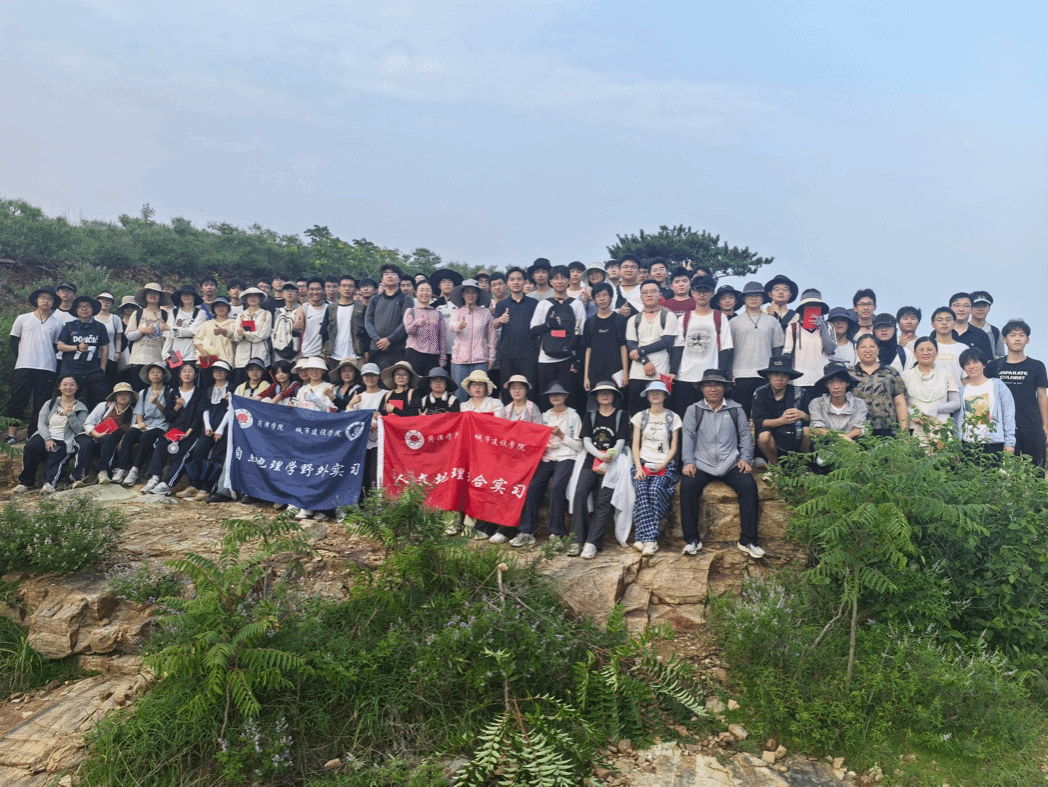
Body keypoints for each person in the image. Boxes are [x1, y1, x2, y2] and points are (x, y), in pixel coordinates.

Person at [679, 369, 763, 558]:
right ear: (702, 388)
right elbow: (688, 437)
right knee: (687, 487)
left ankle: (748, 540)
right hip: (702, 463)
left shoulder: (735, 408)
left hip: (730, 462)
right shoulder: (694, 410)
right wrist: (688, 462)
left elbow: (745, 435)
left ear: (725, 388)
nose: (713, 389)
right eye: (708, 385)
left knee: (749, 486)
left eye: (718, 385)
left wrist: (745, 458)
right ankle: (692, 540)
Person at [509, 382, 581, 548]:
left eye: (559, 394)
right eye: (552, 395)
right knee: (533, 486)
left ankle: (556, 532)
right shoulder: (545, 415)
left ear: (565, 396)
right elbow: (537, 438)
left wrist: (561, 435)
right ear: (549, 398)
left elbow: (579, 446)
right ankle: (526, 531)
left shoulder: (573, 415)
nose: (555, 397)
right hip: (548, 457)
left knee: (556, 487)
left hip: (566, 456)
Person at [571, 381, 628, 557]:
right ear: (596, 396)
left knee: (603, 500)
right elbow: (587, 441)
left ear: (614, 396)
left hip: (614, 462)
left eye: (608, 392)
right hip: (591, 459)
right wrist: (599, 456)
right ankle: (576, 539)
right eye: (601, 393)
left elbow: (620, 442)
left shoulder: (621, 415)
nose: (605, 395)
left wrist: (607, 461)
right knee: (580, 492)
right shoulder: (590, 415)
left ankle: (592, 542)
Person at [987, 320, 1048, 469]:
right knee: (1002, 472)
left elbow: (1042, 396)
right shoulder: (993, 367)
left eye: (1022, 335)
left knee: (1036, 470)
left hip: (1031, 425)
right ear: (1005, 340)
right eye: (1013, 335)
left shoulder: (1037, 366)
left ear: (1027, 340)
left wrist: (1045, 425)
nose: (1017, 339)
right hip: (1002, 426)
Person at [11, 374, 87, 494]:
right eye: (65, 384)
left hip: (64, 439)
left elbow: (79, 429)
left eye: (72, 385)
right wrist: (47, 439)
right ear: (59, 387)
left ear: (77, 387)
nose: (68, 387)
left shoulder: (81, 408)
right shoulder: (50, 403)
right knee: (31, 447)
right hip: (45, 435)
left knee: (55, 458)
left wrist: (70, 415)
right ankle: (25, 482)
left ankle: (49, 484)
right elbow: (41, 423)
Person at [630, 380, 681, 557]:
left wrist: (663, 464)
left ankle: (642, 538)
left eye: (659, 392)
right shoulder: (640, 416)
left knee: (655, 490)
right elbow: (635, 445)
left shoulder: (673, 417)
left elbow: (674, 447)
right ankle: (650, 540)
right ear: (647, 396)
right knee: (641, 490)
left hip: (664, 464)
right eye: (652, 392)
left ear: (665, 395)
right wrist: (638, 468)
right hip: (643, 463)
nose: (655, 395)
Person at [7, 285, 63, 444]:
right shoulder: (23, 318)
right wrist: (23, 357)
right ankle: (11, 434)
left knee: (41, 403)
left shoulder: (57, 323)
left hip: (47, 367)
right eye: (43, 298)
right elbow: (14, 341)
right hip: (24, 366)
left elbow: (56, 346)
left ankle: (33, 434)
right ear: (36, 300)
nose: (46, 301)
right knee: (18, 399)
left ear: (53, 302)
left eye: (50, 299)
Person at [140, 362, 207, 496]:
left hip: (191, 432)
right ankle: (155, 478)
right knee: (161, 443)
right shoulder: (174, 392)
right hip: (176, 430)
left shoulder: (200, 393)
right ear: (180, 375)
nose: (187, 374)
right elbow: (169, 416)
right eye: (184, 371)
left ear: (195, 375)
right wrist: (177, 406)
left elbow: (199, 416)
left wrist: (188, 433)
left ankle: (167, 484)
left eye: (190, 371)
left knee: (184, 454)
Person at [672, 274, 734, 417]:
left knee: (708, 418)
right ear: (692, 293)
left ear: (712, 293)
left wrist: (724, 376)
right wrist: (673, 372)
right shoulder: (684, 318)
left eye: (706, 291)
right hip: (684, 377)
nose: (702, 294)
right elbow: (678, 347)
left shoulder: (719, 317)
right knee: (684, 417)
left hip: (709, 379)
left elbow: (726, 348)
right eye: (698, 291)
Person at [530, 266, 586, 410]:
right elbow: (533, 331)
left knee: (570, 399)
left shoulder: (577, 304)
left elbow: (580, 335)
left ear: (569, 281)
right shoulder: (543, 304)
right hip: (545, 359)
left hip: (568, 359)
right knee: (545, 399)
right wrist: (549, 325)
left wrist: (577, 360)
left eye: (563, 278)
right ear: (550, 282)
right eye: (555, 278)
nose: (560, 281)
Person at [729, 281, 785, 418]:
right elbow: (728, 350)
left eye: (757, 295)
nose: (753, 298)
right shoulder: (734, 322)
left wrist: (775, 373)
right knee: (741, 415)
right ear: (743, 299)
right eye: (749, 295)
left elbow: (777, 350)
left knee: (765, 416)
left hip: (765, 374)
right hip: (740, 375)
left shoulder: (772, 321)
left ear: (763, 298)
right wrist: (729, 373)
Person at [180, 360, 235, 502]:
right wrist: (208, 426)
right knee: (198, 452)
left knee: (218, 457)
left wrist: (221, 429)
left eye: (222, 370)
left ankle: (207, 488)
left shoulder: (232, 388)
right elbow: (205, 409)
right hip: (209, 428)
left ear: (227, 373)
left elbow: (231, 410)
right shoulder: (209, 389)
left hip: (225, 428)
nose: (218, 373)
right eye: (216, 370)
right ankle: (194, 485)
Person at [625, 280, 679, 415]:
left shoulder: (668, 316)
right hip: (637, 374)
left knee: (662, 413)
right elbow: (631, 344)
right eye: (645, 292)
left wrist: (640, 351)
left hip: (661, 373)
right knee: (636, 414)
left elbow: (666, 341)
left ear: (660, 295)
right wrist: (645, 361)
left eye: (653, 291)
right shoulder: (633, 319)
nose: (649, 295)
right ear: (640, 296)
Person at [112, 362, 171, 487]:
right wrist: (140, 423)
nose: (155, 375)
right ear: (148, 376)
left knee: (146, 436)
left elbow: (169, 414)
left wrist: (157, 403)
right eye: (152, 372)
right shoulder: (143, 392)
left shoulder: (169, 392)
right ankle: (121, 468)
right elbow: (139, 413)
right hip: (145, 424)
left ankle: (135, 470)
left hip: (160, 425)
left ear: (164, 375)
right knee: (130, 433)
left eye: (158, 372)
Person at [70, 381, 138, 487]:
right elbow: (88, 423)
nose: (123, 396)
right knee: (87, 444)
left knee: (109, 438)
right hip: (90, 436)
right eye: (120, 394)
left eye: (126, 394)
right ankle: (77, 478)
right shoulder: (104, 406)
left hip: (109, 443)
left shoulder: (133, 413)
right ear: (115, 396)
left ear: (131, 397)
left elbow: (129, 433)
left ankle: (103, 472)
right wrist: (97, 434)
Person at [957, 348, 1015, 459]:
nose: (972, 366)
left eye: (975, 362)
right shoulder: (961, 391)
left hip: (993, 443)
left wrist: (1009, 442)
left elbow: (1008, 413)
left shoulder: (997, 385)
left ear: (983, 364)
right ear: (963, 368)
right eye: (967, 364)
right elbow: (956, 419)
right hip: (967, 444)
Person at [751, 354, 809, 465]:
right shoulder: (760, 393)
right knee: (763, 437)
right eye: (776, 374)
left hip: (795, 434)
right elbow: (759, 422)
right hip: (772, 435)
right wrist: (782, 421)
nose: (779, 379)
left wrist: (802, 414)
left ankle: (805, 464)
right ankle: (776, 465)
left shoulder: (800, 393)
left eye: (784, 375)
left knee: (807, 430)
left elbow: (812, 418)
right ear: (769, 375)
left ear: (789, 377)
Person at [902, 337, 960, 447]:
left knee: (942, 457)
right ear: (914, 353)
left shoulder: (946, 375)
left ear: (936, 352)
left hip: (941, 428)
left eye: (929, 349)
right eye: (921, 350)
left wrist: (937, 408)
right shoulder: (905, 376)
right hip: (914, 427)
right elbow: (900, 402)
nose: (925, 353)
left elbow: (956, 402)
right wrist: (911, 411)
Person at [493, 267, 539, 404]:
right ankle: (508, 417)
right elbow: (494, 325)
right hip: (507, 354)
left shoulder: (533, 303)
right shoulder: (502, 304)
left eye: (519, 279)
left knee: (530, 391)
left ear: (525, 281)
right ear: (507, 283)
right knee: (507, 392)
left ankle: (531, 416)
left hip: (529, 354)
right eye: (512, 279)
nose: (516, 282)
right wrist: (500, 320)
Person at [57, 294, 110, 408]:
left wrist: (102, 369)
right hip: (71, 369)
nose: (84, 309)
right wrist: (76, 347)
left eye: (88, 306)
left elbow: (105, 349)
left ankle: (94, 419)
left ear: (93, 309)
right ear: (76, 310)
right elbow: (60, 346)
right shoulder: (69, 326)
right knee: (68, 399)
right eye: (81, 306)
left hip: (93, 370)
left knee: (102, 397)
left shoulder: (100, 327)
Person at [852, 334, 909, 437]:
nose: (867, 350)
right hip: (857, 430)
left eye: (872, 346)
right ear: (857, 351)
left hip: (887, 431)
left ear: (878, 350)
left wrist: (904, 432)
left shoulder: (890, 372)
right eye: (863, 347)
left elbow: (900, 403)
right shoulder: (849, 374)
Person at [449, 278, 496, 399]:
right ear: (462, 294)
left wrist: (491, 357)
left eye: (474, 292)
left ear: (478, 294)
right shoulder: (456, 312)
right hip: (459, 360)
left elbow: (491, 336)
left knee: (480, 394)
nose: (471, 295)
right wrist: (459, 325)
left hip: (480, 359)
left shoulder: (485, 313)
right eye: (467, 292)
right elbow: (451, 326)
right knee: (460, 394)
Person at [781, 288, 835, 392]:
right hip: (799, 381)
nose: (812, 308)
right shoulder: (793, 328)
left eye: (816, 306)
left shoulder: (829, 327)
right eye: (809, 306)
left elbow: (830, 350)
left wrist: (822, 327)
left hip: (822, 380)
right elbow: (787, 355)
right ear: (803, 309)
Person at [582, 283, 628, 394]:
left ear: (611, 297)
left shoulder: (620, 320)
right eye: (598, 296)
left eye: (605, 295)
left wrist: (626, 373)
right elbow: (588, 349)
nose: (601, 299)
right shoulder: (589, 322)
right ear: (594, 300)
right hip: (595, 374)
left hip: (616, 374)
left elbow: (623, 347)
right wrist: (586, 376)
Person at [364, 264, 412, 369]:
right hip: (376, 346)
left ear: (399, 279)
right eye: (386, 274)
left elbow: (406, 322)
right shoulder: (375, 299)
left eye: (393, 274)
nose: (390, 276)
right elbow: (368, 320)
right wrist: (377, 339)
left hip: (398, 348)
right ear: (382, 279)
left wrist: (390, 339)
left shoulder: (406, 299)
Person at [808, 361, 868, 442]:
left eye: (841, 381)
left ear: (847, 383)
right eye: (831, 382)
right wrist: (840, 437)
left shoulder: (858, 403)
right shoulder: (816, 403)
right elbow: (816, 429)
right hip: (825, 443)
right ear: (826, 384)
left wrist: (844, 439)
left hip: (852, 443)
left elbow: (860, 428)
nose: (836, 387)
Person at [403, 280, 446, 375]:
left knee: (429, 382)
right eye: (421, 290)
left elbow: (442, 337)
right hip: (414, 352)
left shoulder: (438, 313)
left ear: (432, 293)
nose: (424, 293)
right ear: (415, 292)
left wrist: (443, 357)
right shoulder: (410, 311)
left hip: (433, 354)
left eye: (427, 290)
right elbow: (409, 331)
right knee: (414, 381)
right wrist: (417, 323)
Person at [323, 275, 367, 369]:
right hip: (334, 355)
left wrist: (366, 351)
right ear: (339, 288)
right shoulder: (331, 308)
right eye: (344, 286)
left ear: (354, 289)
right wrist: (324, 351)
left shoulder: (362, 308)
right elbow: (325, 331)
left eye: (350, 286)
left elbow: (367, 332)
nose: (347, 289)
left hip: (356, 355)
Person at [232, 287, 272, 385]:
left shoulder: (266, 314)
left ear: (260, 298)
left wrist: (245, 334)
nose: (252, 298)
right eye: (250, 296)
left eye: (255, 296)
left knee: (262, 386)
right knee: (241, 386)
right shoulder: (241, 315)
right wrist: (240, 334)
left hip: (260, 355)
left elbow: (263, 334)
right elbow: (236, 337)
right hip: (242, 358)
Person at [163, 285, 207, 367]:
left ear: (194, 296)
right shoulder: (174, 312)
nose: (186, 296)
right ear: (180, 297)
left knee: (190, 373)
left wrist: (170, 329)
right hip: (175, 354)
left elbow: (193, 331)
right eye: (184, 294)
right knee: (175, 374)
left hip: (193, 353)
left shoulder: (201, 313)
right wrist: (166, 354)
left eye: (189, 294)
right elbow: (168, 335)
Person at [948, 292, 994, 360]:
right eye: (957, 305)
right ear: (950, 308)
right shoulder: (939, 332)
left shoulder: (981, 335)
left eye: (966, 306)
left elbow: (988, 362)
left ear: (971, 308)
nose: (961, 309)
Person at [295, 278, 331, 364]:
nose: (315, 292)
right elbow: (296, 329)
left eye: (318, 289)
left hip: (325, 355)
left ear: (323, 290)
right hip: (307, 352)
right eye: (311, 289)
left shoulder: (331, 307)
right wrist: (296, 326)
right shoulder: (303, 308)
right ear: (307, 291)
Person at [929, 307, 964, 388]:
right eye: (939, 320)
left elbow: (966, 378)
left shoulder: (963, 348)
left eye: (948, 320)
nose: (944, 323)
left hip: (957, 393)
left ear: (954, 324)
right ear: (933, 324)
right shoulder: (926, 347)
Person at [95, 291, 124, 389]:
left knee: (109, 384)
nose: (106, 302)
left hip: (111, 356)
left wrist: (118, 352)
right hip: (94, 356)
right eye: (103, 300)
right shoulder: (92, 317)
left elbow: (118, 338)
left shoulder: (115, 319)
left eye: (109, 301)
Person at [970, 291, 1005, 359]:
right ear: (969, 308)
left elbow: (1000, 356)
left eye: (984, 306)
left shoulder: (995, 332)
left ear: (989, 308)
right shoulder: (962, 329)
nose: (980, 309)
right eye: (976, 306)